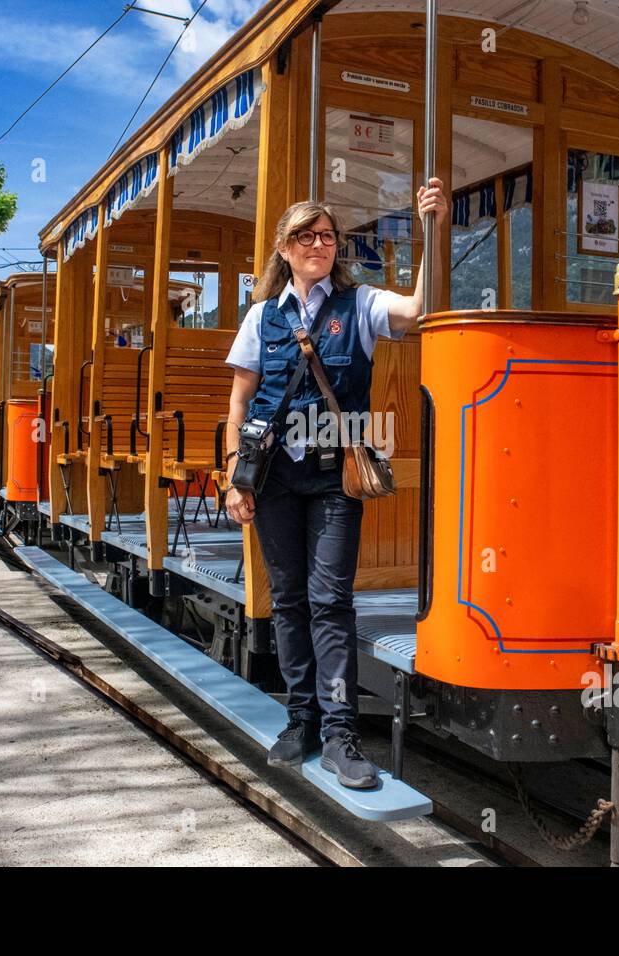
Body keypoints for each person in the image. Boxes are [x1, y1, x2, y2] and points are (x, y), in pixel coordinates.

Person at [222, 178, 446, 789]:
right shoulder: (261, 316)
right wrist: (232, 479)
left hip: (333, 482)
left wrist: (430, 227)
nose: (318, 244)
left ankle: (342, 734)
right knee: (289, 601)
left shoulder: (362, 304)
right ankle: (301, 721)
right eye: (306, 236)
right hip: (269, 478)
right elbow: (240, 402)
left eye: (326, 236)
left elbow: (420, 309)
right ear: (285, 249)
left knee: (330, 602)